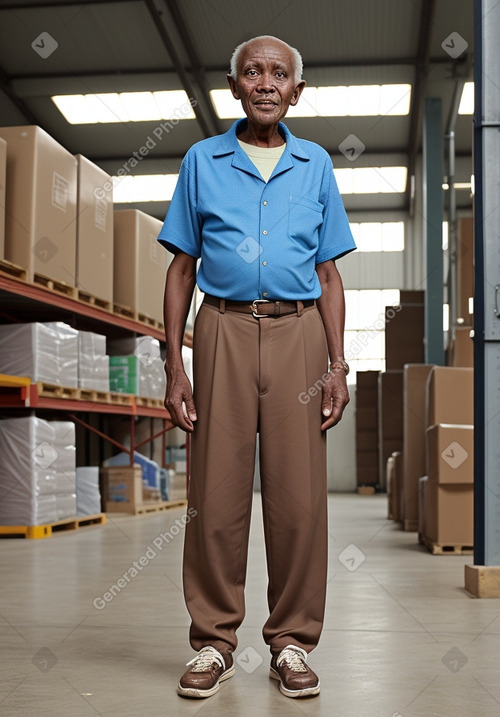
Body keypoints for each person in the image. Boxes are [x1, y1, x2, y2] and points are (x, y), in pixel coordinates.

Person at [158, 34, 356, 700]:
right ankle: (214, 642)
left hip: (300, 331)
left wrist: (336, 363)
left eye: (279, 73)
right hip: (222, 330)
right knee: (215, 496)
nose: (266, 82)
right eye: (253, 72)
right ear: (234, 86)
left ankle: (292, 640)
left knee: (299, 500)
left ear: (296, 91)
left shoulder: (316, 164)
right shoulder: (202, 161)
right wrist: (174, 363)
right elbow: (181, 267)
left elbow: (328, 273)